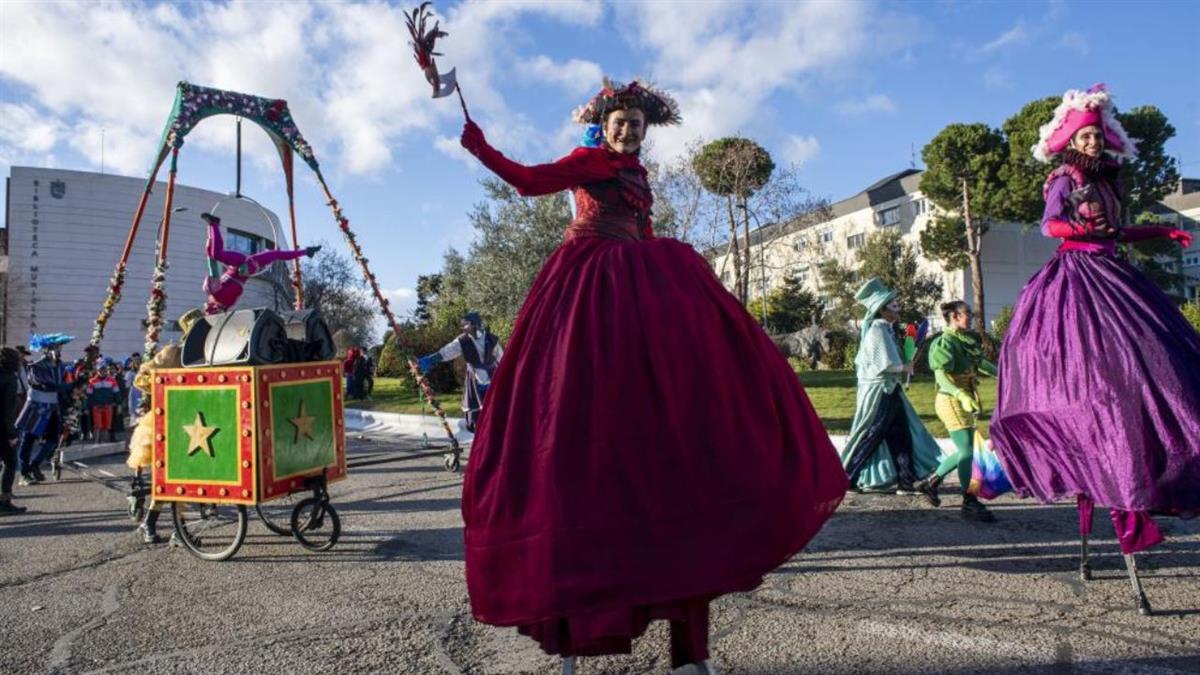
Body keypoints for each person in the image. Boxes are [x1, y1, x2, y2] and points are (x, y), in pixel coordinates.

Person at [455, 78, 846, 674]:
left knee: (687, 412)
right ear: (604, 123)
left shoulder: (638, 175)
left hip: (637, 286)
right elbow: (529, 182)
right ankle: (574, 634)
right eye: (621, 121)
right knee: (577, 424)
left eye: (638, 122)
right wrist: (478, 144)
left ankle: (691, 652)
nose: (629, 129)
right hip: (588, 284)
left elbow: (643, 232)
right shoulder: (589, 161)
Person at [990, 84, 1199, 557]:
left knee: (1158, 354)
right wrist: (1079, 228)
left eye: (1097, 136)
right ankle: (1108, 473)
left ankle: (1154, 463)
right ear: (1070, 140)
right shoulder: (1064, 178)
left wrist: (1162, 229)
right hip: (1077, 277)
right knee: (1097, 372)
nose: (1092, 143)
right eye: (1085, 137)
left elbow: (1118, 231)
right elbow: (1049, 225)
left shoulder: (1106, 180)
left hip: (1113, 270)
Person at [839, 278, 941, 503]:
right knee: (872, 433)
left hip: (890, 389)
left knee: (899, 434)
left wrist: (905, 363)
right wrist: (905, 366)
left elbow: (891, 362)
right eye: (894, 305)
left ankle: (905, 481)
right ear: (882, 310)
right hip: (879, 392)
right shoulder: (877, 330)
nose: (898, 308)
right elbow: (882, 363)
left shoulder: (887, 329)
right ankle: (847, 477)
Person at [915, 301, 997, 522]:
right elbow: (941, 377)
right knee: (968, 452)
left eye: (970, 313)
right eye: (966, 313)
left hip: (963, 400)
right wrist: (960, 395)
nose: (970, 317)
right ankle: (969, 502)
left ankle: (930, 483)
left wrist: (1003, 374)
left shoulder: (964, 340)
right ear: (953, 316)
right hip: (950, 400)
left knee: (965, 450)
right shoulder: (944, 342)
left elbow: (980, 364)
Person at [201, 212, 320, 315]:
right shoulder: (218, 294)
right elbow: (212, 263)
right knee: (275, 254)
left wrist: (209, 237)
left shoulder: (216, 293)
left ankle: (214, 223)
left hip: (241, 265)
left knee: (216, 255)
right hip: (246, 267)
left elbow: (212, 261)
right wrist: (209, 236)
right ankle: (307, 251)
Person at [418, 312, 504, 433]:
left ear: (474, 324)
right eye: (463, 325)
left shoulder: (492, 339)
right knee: (477, 415)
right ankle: (482, 438)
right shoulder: (462, 341)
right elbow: (447, 352)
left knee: (496, 409)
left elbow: (502, 358)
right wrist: (431, 359)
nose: (463, 327)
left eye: (466, 324)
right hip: (475, 379)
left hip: (494, 378)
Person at [16, 333, 71, 485]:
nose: (57, 351)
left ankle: (35, 465)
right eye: (53, 348)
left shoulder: (60, 366)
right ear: (46, 350)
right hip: (36, 407)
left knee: (53, 440)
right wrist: (70, 386)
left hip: (52, 407)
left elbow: (62, 384)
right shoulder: (37, 367)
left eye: (58, 348)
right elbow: (49, 385)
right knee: (28, 440)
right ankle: (24, 474)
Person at [1, 347, 28, 515]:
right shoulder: (9, 379)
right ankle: (4, 501)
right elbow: (7, 410)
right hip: (3, 430)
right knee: (10, 464)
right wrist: (11, 434)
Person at [87, 360, 121, 443]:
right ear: (97, 371)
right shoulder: (92, 381)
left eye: (104, 370)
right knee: (97, 426)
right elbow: (89, 395)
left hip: (108, 406)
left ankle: (104, 443)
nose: (102, 372)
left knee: (106, 426)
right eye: (100, 370)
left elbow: (116, 393)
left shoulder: (112, 380)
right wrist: (88, 407)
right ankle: (96, 442)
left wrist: (119, 404)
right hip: (97, 406)